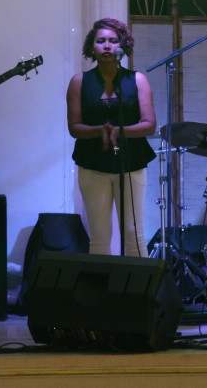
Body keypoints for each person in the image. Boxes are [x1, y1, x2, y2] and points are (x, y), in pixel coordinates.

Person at [66, 18, 157, 256]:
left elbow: (149, 125)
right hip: (92, 164)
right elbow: (74, 127)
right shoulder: (79, 82)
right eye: (101, 41)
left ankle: (139, 292)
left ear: (122, 45)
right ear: (92, 47)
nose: (107, 46)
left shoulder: (137, 80)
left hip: (131, 162)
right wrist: (101, 131)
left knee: (133, 234)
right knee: (99, 236)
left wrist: (119, 131)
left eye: (113, 41)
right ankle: (102, 291)